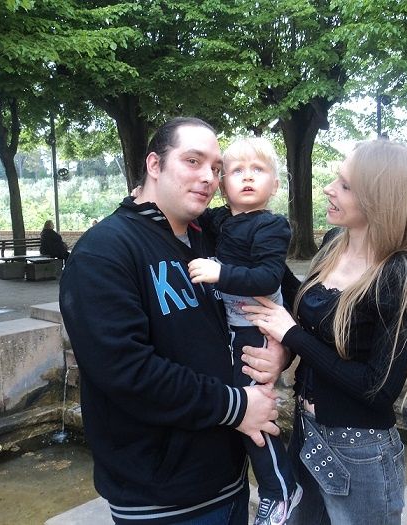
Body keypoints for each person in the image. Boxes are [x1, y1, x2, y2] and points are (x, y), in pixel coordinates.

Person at [59, 117, 288, 525]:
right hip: (161, 499)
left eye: (216, 168)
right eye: (193, 161)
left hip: (231, 480)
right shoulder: (104, 252)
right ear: (154, 164)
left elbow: (290, 298)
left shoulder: (217, 236)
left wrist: (281, 351)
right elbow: (126, 371)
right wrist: (236, 406)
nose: (209, 177)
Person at [243, 139, 407, 524]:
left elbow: (378, 389)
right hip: (306, 431)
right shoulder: (334, 244)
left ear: (381, 200)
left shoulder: (399, 275)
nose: (329, 189)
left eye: (345, 185)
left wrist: (292, 337)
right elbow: (311, 308)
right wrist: (263, 258)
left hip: (360, 453)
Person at [187, 137, 301, 525]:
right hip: (233, 329)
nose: (247, 177)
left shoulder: (271, 225)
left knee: (254, 412)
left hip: (257, 331)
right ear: (222, 184)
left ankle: (280, 489)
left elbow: (269, 276)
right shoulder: (220, 220)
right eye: (237, 171)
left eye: (258, 170)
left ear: (275, 185)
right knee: (244, 408)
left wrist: (220, 273)